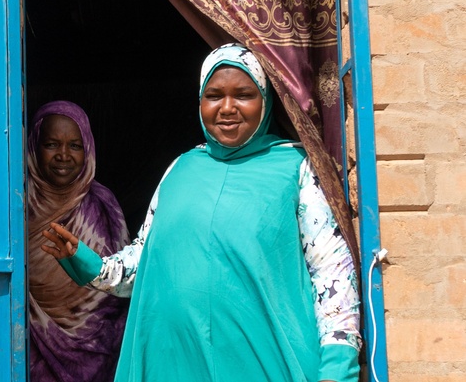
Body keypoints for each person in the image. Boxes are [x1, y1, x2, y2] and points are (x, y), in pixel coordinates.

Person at [41, 45, 362, 382]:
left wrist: (338, 369)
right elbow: (146, 260)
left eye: (243, 95)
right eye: (213, 96)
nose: (227, 108)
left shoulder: (294, 170)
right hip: (176, 363)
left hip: (265, 364)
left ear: (265, 101)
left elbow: (333, 276)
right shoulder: (181, 169)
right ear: (199, 102)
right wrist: (88, 263)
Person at [27, 100, 131, 382]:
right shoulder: (16, 205)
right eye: (51, 144)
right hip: (32, 345)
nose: (63, 155)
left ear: (88, 149)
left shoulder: (103, 204)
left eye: (74, 145)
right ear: (34, 147)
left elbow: (122, 283)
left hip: (98, 351)